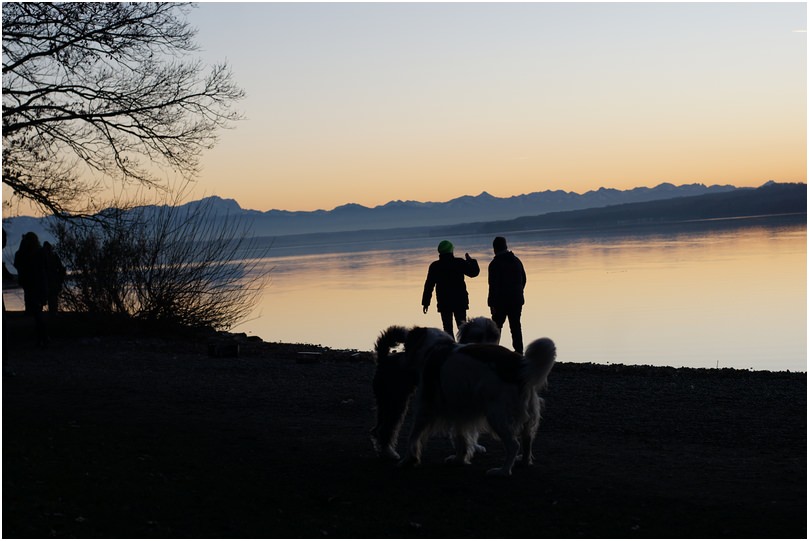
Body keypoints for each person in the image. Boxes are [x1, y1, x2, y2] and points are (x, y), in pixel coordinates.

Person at [421, 240, 480, 336]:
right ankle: (464, 347)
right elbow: (474, 273)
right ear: (451, 250)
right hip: (460, 301)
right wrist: (472, 261)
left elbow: (429, 286)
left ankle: (450, 348)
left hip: (444, 302)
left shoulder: (435, 266)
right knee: (463, 328)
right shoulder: (459, 262)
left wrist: (425, 303)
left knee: (447, 329)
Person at [488, 236, 526, 354]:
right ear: (506, 246)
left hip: (500, 301)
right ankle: (519, 352)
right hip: (516, 300)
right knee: (515, 326)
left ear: (494, 249)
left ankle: (493, 352)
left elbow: (492, 285)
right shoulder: (516, 260)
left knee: (496, 327)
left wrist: (491, 303)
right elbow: (524, 279)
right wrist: (519, 291)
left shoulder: (494, 264)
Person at [13, 232, 49, 344]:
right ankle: (42, 337)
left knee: (35, 311)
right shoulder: (40, 252)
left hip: (29, 285)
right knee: (38, 311)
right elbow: (46, 266)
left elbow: (17, 265)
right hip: (39, 284)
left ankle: (41, 337)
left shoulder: (21, 254)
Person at [42, 242, 66, 313]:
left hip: (51, 281)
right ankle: (53, 313)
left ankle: (53, 313)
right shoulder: (53, 256)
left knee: (52, 299)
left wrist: (60, 279)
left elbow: (61, 269)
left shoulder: (52, 256)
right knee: (53, 299)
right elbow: (61, 269)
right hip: (50, 281)